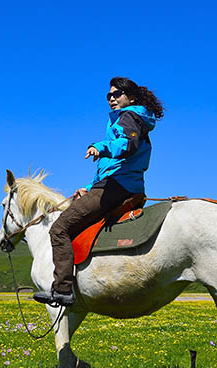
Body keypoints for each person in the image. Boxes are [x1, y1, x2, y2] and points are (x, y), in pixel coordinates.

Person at [34, 77, 162, 306]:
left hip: (118, 186)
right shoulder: (133, 118)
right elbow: (114, 164)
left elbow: (127, 146)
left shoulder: (128, 117)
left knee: (59, 228)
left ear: (131, 97)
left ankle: (62, 288)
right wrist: (91, 188)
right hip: (119, 184)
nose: (112, 98)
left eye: (117, 94)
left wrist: (100, 147)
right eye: (109, 95)